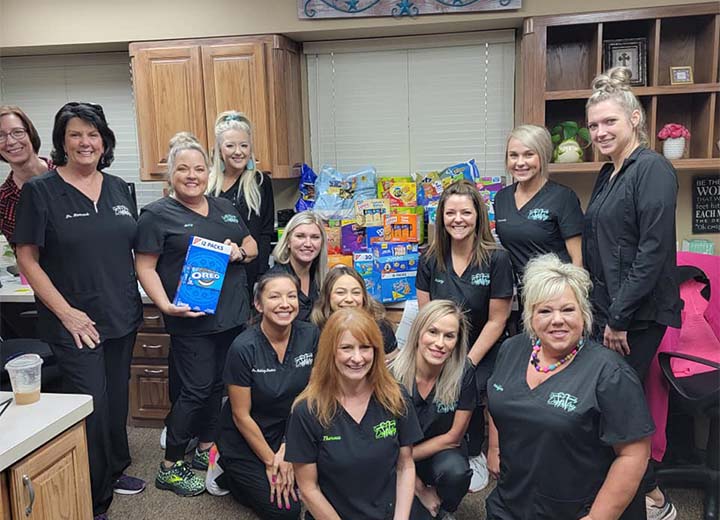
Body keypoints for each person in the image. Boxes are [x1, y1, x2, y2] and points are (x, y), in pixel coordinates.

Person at [14, 102, 145, 520]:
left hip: (121, 315)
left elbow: (136, 251)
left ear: (104, 140)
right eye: (75, 134)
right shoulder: (41, 192)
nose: (85, 142)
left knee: (115, 401)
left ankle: (114, 470)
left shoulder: (122, 188)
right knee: (90, 408)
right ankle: (93, 498)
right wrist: (67, 313)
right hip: (75, 325)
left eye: (93, 134)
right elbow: (27, 259)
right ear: (62, 142)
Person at [486, 253, 655, 520]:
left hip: (576, 509)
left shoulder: (610, 373)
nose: (557, 320)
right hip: (512, 500)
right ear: (530, 316)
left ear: (584, 314)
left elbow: (634, 455)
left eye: (567, 309)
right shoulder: (512, 349)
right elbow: (498, 395)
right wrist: (494, 447)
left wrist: (596, 518)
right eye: (545, 311)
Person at [135, 132, 257, 497]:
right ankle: (171, 464)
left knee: (219, 387)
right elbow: (145, 267)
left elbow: (250, 242)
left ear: (209, 172)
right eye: (183, 169)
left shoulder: (224, 208)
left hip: (233, 317)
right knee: (196, 389)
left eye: (199, 168)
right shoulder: (156, 216)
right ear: (170, 173)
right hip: (192, 319)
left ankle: (206, 448)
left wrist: (240, 252)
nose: (192, 175)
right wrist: (165, 305)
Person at [584, 67, 681, 520]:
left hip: (636, 317)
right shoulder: (608, 175)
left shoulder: (653, 169)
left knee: (617, 410)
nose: (600, 132)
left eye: (609, 123)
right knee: (616, 407)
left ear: (634, 121)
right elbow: (600, 250)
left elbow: (653, 252)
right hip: (609, 312)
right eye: (594, 125)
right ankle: (644, 494)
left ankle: (650, 501)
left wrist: (619, 319)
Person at [416, 179, 513, 492]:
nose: (457, 219)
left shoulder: (496, 259)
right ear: (441, 217)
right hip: (439, 346)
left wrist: (466, 361)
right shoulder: (430, 258)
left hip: (481, 348)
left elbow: (497, 320)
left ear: (478, 217)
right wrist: (442, 353)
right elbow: (426, 317)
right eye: (450, 212)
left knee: (472, 384)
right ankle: (431, 455)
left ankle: (474, 452)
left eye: (466, 213)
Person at [285, 308, 422, 520]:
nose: (357, 358)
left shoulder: (396, 397)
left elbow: (405, 465)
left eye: (365, 347)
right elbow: (308, 489)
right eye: (346, 348)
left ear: (376, 351)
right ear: (330, 352)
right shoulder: (307, 410)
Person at [216, 270, 320, 519]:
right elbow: (240, 415)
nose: (285, 304)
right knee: (286, 511)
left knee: (335, 480)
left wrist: (288, 447)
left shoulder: (310, 335)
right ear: (258, 304)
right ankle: (227, 473)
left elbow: (310, 395)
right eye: (275, 297)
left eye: (291, 296)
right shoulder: (243, 348)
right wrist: (272, 462)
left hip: (291, 432)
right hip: (247, 437)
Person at [390, 300, 475, 520]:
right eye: (433, 332)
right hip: (396, 455)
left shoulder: (463, 372)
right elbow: (385, 443)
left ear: (457, 341)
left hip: (441, 452)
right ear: (418, 332)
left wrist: (405, 460)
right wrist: (420, 489)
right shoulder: (391, 376)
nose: (440, 343)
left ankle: (445, 509)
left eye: (449, 336)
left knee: (456, 472)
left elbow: (454, 437)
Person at [494, 124, 583, 280]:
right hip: (525, 293)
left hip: (556, 292)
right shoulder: (501, 198)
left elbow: (578, 260)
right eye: (513, 155)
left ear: (543, 156)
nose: (520, 162)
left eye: (529, 155)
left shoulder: (563, 197)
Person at [208, 110, 274, 298]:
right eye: (230, 146)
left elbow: (265, 232)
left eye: (244, 145)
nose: (238, 152)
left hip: (249, 272)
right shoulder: (207, 185)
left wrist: (261, 276)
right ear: (220, 150)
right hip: (213, 271)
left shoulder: (260, 182)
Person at [311, 264, 397, 360]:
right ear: (327, 296)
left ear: (364, 297)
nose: (349, 299)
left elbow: (392, 369)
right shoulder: (314, 331)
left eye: (356, 292)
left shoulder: (380, 327)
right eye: (340, 292)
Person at [0, 105, 53, 245]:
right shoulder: (3, 201)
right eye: (0, 136)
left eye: (17, 132)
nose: (10, 142)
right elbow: (21, 253)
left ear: (30, 133)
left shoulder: (67, 173)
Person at [270, 210, 327, 322]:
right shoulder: (275, 279)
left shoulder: (320, 277)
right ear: (288, 241)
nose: (308, 244)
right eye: (300, 236)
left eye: (315, 237)